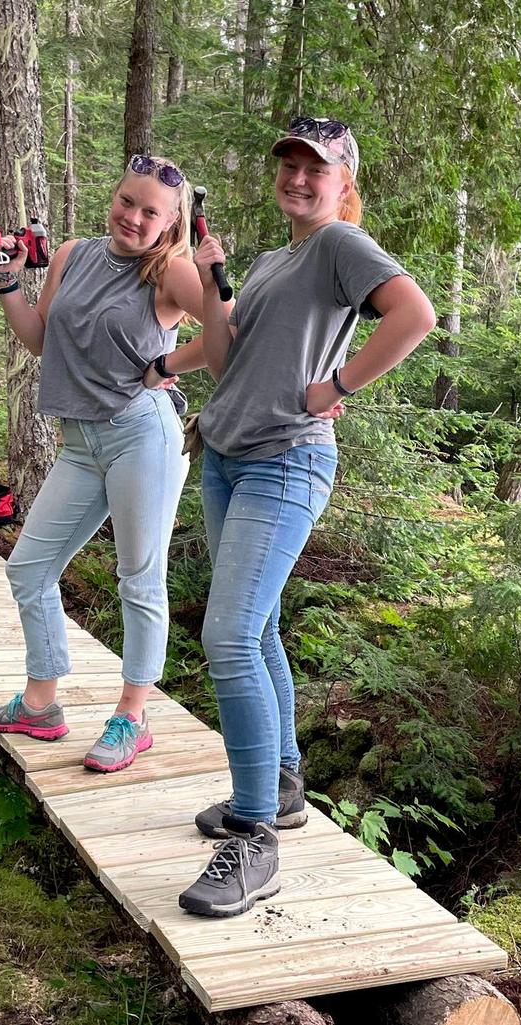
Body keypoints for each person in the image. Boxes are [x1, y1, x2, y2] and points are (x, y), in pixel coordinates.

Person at [177, 118, 437, 917]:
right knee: (253, 631)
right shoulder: (270, 259)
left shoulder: (337, 245)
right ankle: (282, 784)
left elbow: (414, 314)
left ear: (342, 181)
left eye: (315, 167)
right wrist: (215, 289)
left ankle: (254, 836)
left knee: (226, 636)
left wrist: (341, 386)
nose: (298, 177)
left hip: (286, 459)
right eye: (288, 164)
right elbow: (230, 359)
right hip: (225, 454)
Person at [0, 154, 228, 774]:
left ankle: (132, 715)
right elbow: (41, 340)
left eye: (151, 212)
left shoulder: (169, 271)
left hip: (141, 436)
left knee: (139, 578)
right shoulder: (72, 254)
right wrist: (9, 283)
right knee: (29, 569)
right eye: (127, 202)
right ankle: (41, 702)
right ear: (112, 198)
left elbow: (230, 333)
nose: (133, 218)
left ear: (171, 223)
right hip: (80, 443)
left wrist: (169, 365)